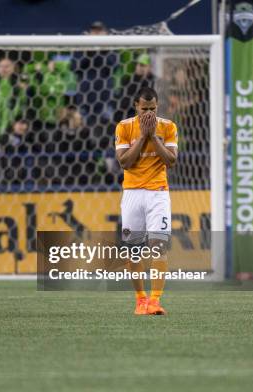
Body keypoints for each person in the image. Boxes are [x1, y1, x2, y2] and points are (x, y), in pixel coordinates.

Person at [114, 86, 178, 316]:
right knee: (133, 250)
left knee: (158, 246)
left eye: (152, 108)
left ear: (157, 105)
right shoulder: (124, 127)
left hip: (158, 193)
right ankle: (140, 300)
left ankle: (155, 301)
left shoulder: (168, 127)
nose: (148, 113)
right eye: (144, 109)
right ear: (136, 106)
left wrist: (154, 137)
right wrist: (143, 136)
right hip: (132, 193)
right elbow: (124, 163)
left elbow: (171, 160)